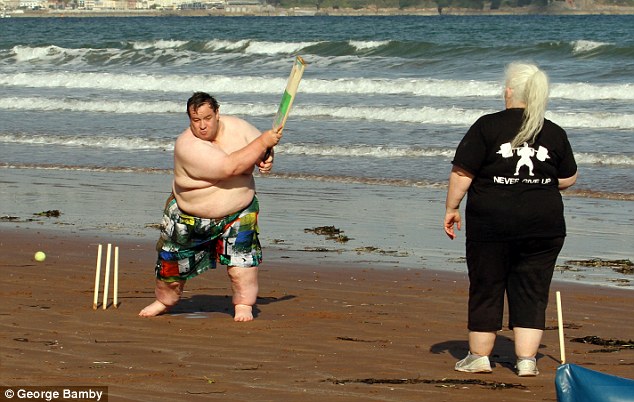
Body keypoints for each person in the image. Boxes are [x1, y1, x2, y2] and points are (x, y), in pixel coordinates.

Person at [443, 62, 578, 377]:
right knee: (532, 288)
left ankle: (478, 357)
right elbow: (569, 177)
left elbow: (463, 172)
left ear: (508, 92)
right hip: (543, 224)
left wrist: (451, 207)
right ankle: (527, 361)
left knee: (487, 283)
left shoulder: (487, 127)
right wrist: (538, 182)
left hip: (493, 221)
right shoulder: (553, 131)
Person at [139, 91, 282, 322]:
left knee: (241, 267)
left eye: (207, 118)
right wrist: (264, 142)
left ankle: (244, 304)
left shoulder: (238, 127)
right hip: (189, 217)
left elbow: (258, 147)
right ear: (189, 120)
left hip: (238, 211)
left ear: (217, 113)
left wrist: (266, 156)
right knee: (172, 273)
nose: (202, 126)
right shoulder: (187, 145)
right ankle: (164, 301)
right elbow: (229, 167)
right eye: (196, 120)